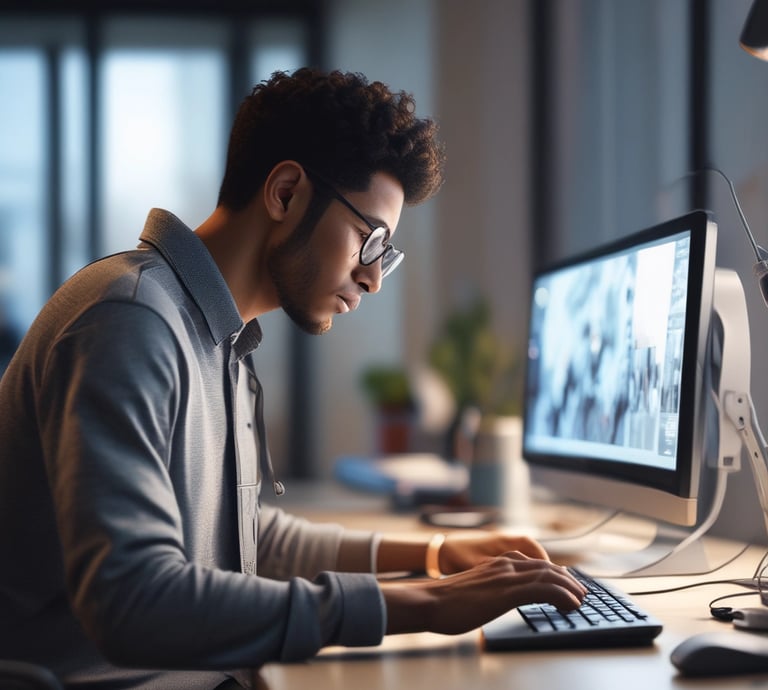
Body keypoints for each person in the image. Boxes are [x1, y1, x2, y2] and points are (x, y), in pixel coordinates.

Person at [0, 68, 586, 689]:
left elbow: (244, 537)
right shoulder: (129, 320)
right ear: (284, 193)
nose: (373, 279)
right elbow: (133, 600)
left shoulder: (215, 336)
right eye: (371, 240)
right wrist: (430, 606)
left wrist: (435, 558)